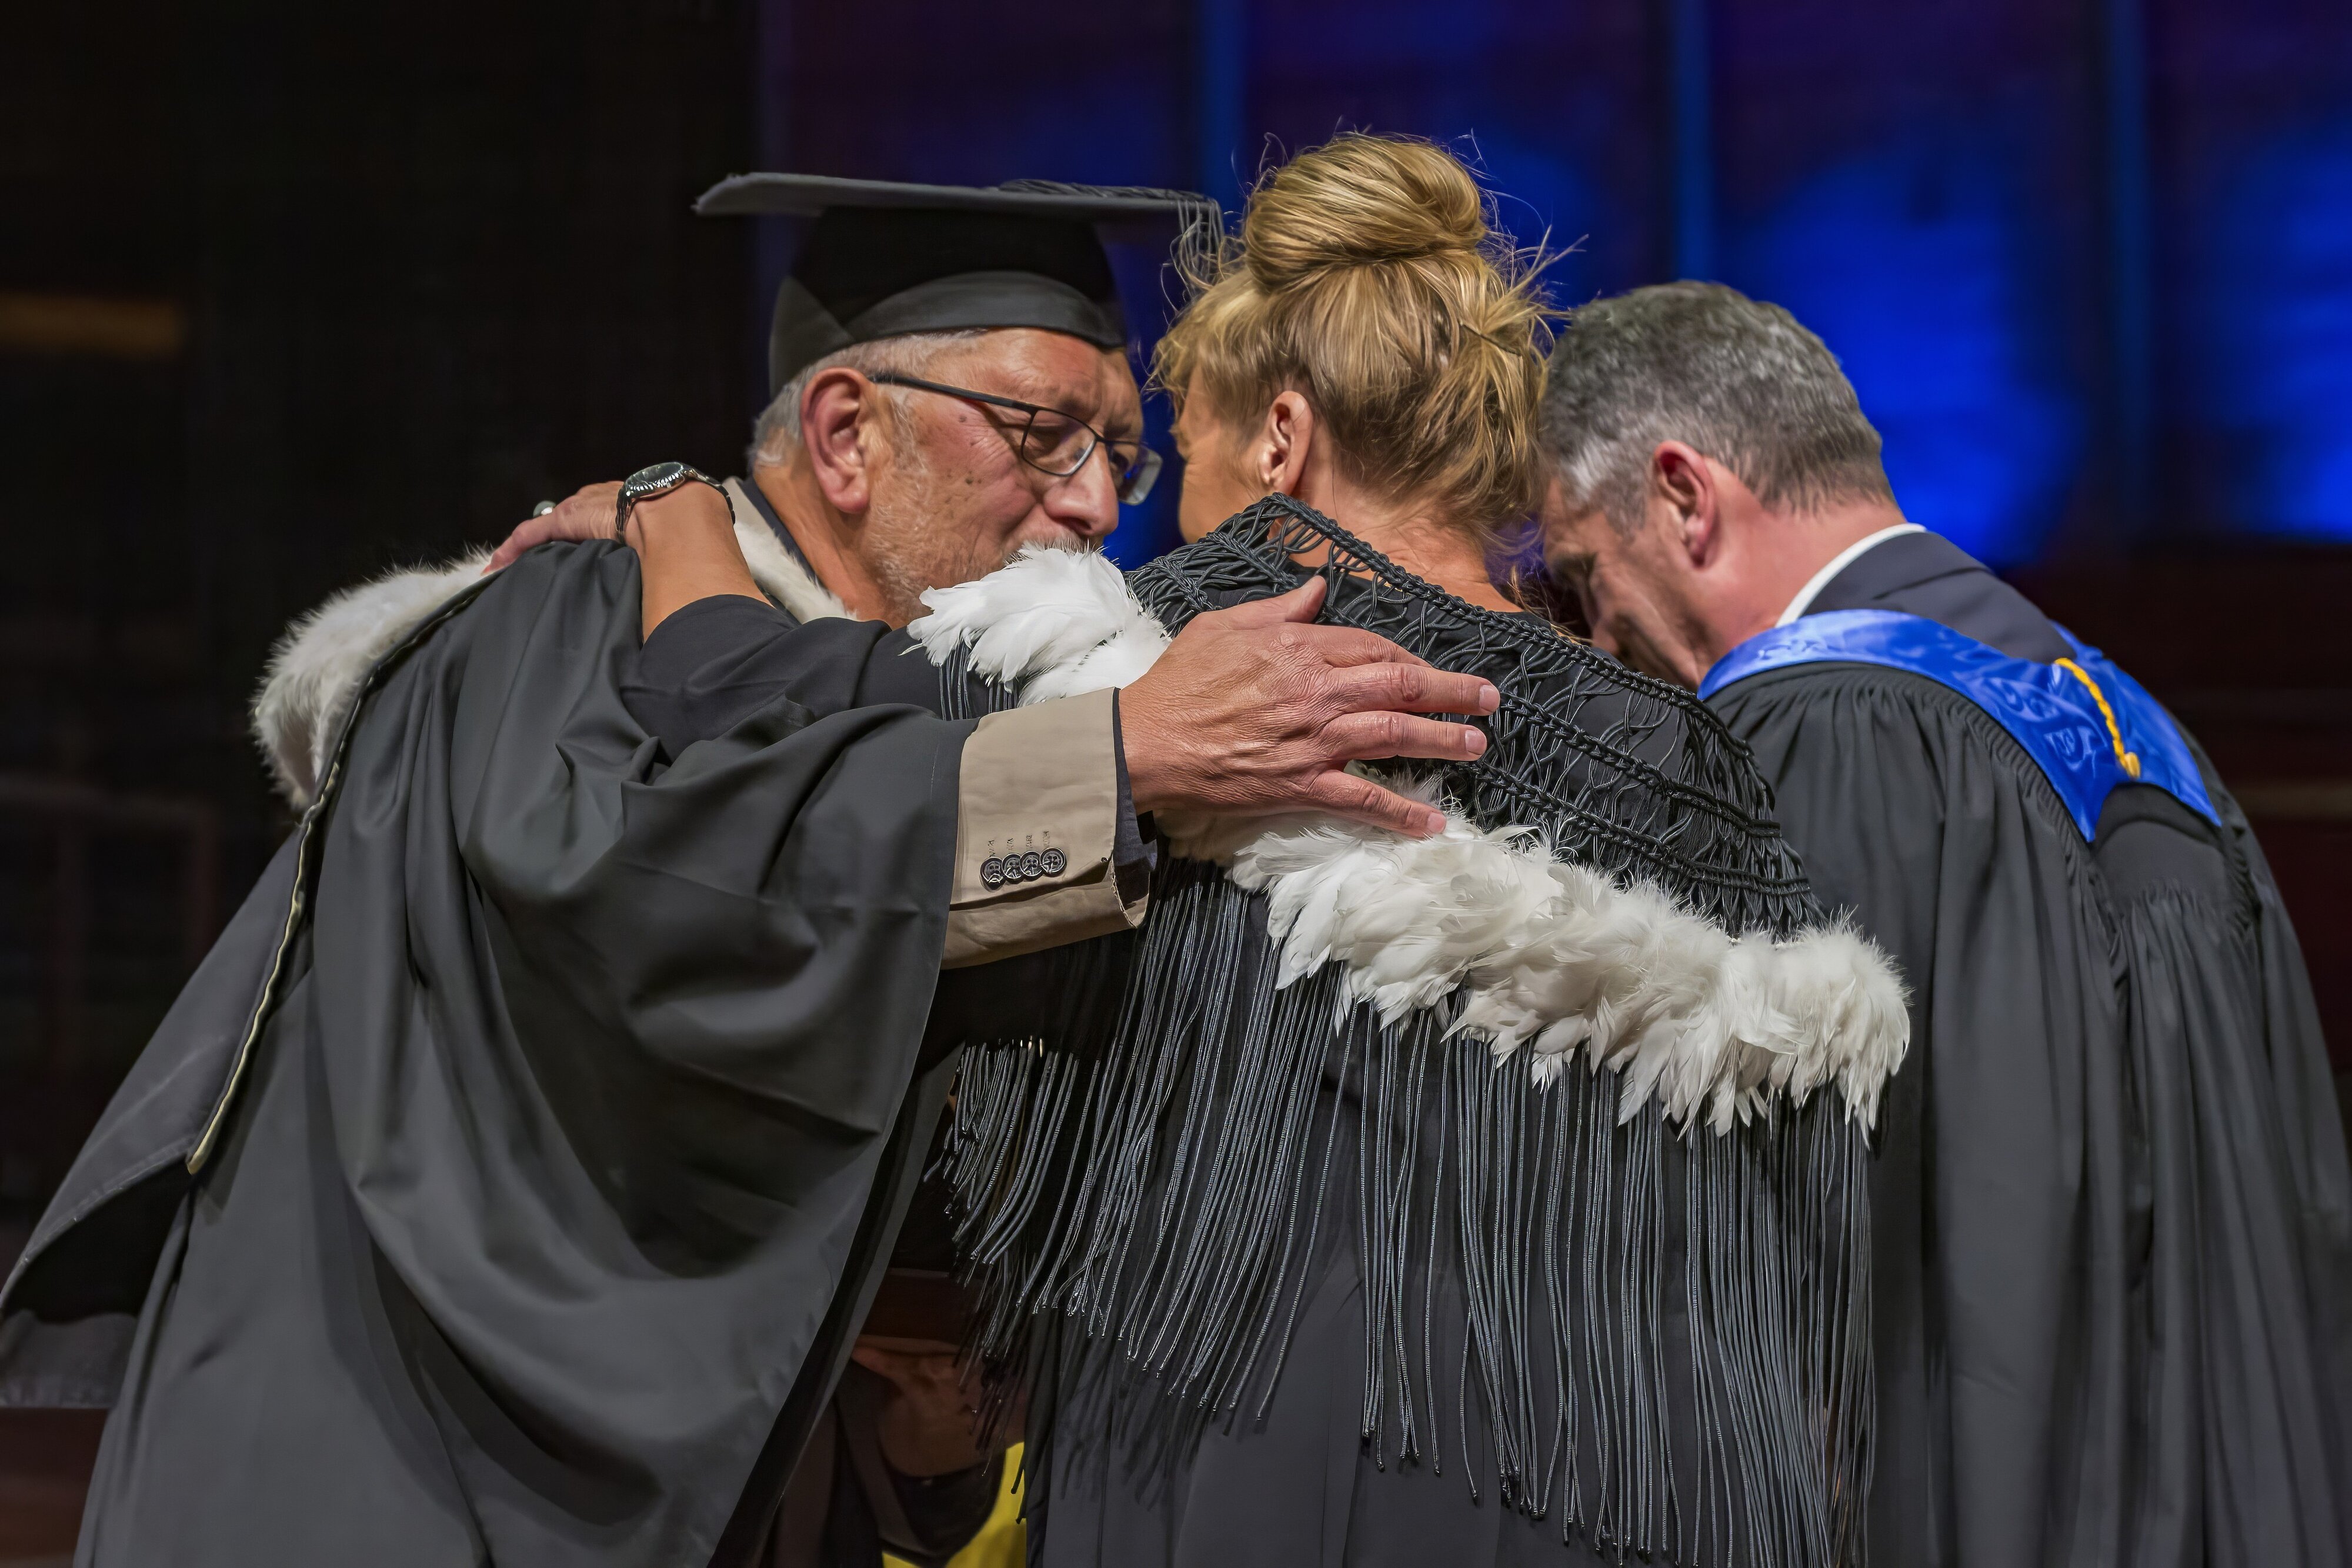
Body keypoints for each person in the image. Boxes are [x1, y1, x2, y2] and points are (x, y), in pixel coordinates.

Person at [0, 177, 1507, 1568]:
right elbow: (664, 909)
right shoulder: (572, 621)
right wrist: (1113, 762)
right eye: (1043, 433)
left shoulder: (901, 719)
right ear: (846, 435)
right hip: (380, 1485)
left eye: (1120, 453)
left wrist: (928, 1436)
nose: (1095, 508)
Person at [626, 136, 1910, 1568]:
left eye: (1172, 449)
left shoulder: (1118, 667)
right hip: (1640, 1480)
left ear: (1282, 439)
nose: (1125, 509)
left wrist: (671, 522)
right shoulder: (1692, 762)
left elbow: (751, 776)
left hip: (1240, 1458)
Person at [1538, 280, 2352, 1567]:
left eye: (1585, 577)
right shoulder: (2143, 734)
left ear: (1684, 496)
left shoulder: (1815, 729)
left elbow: (1761, 1273)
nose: (1596, 639)